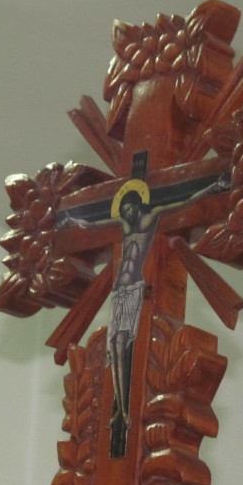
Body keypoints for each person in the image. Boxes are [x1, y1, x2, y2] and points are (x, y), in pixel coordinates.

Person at [62, 175, 228, 456]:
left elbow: (182, 200)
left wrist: (213, 186)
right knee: (114, 349)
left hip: (136, 289)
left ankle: (124, 408)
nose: (127, 213)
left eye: (130, 208)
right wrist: (72, 218)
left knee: (126, 345)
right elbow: (96, 223)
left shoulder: (149, 220)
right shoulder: (122, 228)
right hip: (120, 291)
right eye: (123, 209)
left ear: (139, 205)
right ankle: (119, 407)